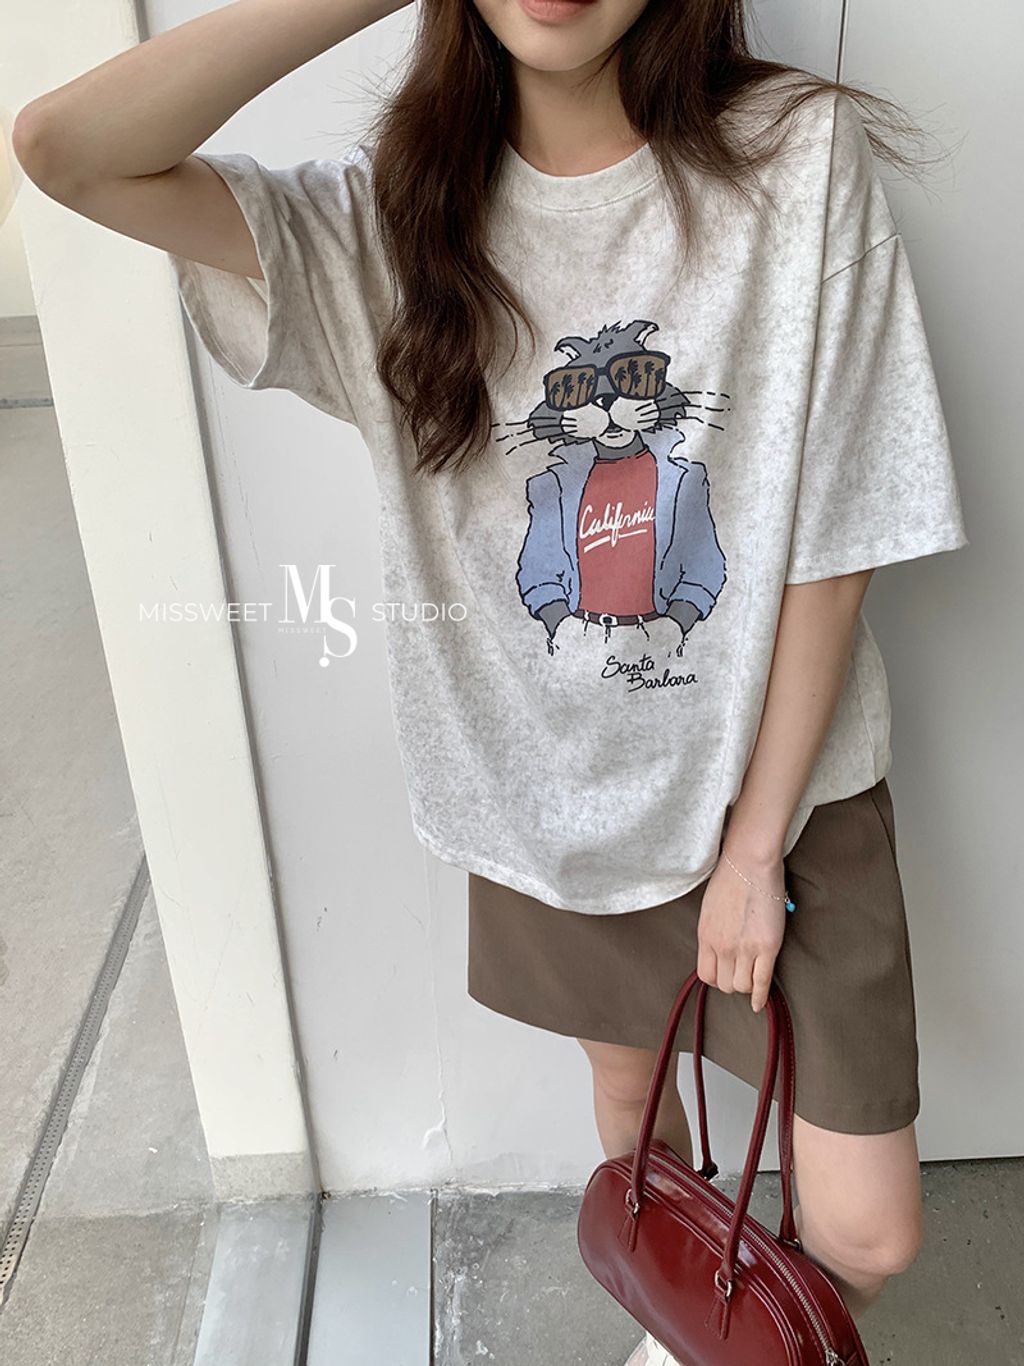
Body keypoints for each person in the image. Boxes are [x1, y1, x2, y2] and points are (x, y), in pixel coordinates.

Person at [14, 1, 969, 1361]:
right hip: (550, 794)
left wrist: (756, 847)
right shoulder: (390, 226)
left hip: (788, 793)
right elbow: (67, 149)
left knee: (867, 1229)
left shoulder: (796, 158)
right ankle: (685, 1330)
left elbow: (841, 526)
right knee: (640, 1137)